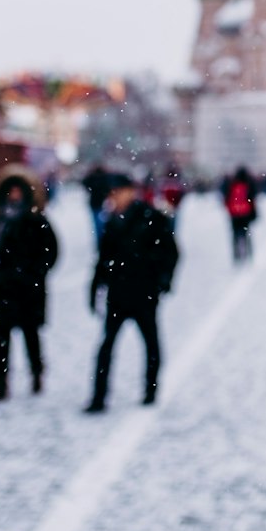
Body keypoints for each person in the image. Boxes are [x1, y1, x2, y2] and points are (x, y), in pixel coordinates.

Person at [0, 167, 59, 403]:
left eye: (19, 191)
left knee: (30, 336)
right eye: (11, 191)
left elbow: (52, 252)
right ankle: (1, 383)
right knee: (0, 339)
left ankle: (36, 373)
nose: (14, 195)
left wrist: (35, 273)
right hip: (1, 289)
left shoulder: (37, 221)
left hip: (28, 290)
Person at [85, 174, 179, 413]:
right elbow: (103, 259)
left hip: (144, 293)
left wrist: (162, 282)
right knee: (106, 347)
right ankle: (99, 396)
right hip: (117, 294)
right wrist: (95, 288)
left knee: (150, 343)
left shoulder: (152, 217)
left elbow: (171, 252)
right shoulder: (113, 221)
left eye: (116, 193)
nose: (112, 199)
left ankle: (150, 390)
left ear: (129, 192)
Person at [223, 165, 258, 263]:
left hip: (234, 213)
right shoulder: (248, 184)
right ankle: (248, 253)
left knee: (235, 234)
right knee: (246, 233)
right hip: (245, 213)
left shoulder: (232, 184)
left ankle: (236, 255)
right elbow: (252, 200)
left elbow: (227, 198)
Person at [83, 161, 113, 247]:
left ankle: (100, 239)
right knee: (102, 222)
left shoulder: (92, 178)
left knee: (97, 223)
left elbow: (85, 183)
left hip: (94, 203)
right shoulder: (105, 178)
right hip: (102, 203)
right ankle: (102, 239)